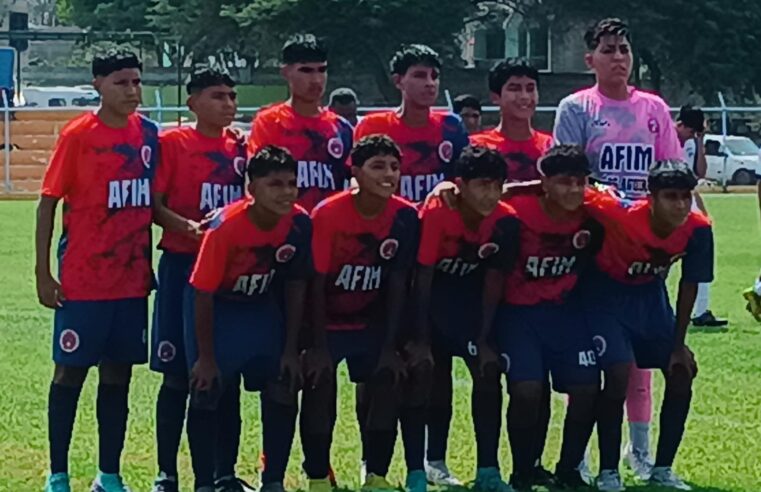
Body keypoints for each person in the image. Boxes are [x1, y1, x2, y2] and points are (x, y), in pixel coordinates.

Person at [553, 18, 685, 484]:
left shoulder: (654, 108)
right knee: (594, 354)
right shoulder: (577, 108)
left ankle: (642, 450)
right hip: (595, 246)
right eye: (608, 50)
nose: (618, 58)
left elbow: (673, 172)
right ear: (590, 59)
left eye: (624, 49)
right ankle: (582, 451)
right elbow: (566, 174)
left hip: (645, 245)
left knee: (641, 356)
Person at [35, 48, 159, 492]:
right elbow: (48, 201)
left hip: (131, 282)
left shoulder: (148, 134)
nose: (132, 90)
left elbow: (151, 200)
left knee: (118, 374)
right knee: (69, 372)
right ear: (98, 86)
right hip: (83, 282)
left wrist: (181, 224)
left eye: (136, 82)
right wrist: (43, 273)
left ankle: (109, 474)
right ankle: (58, 473)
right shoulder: (78, 135)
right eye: (121, 82)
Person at [185, 146, 311, 492]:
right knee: (208, 388)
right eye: (275, 184)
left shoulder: (298, 223)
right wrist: (206, 358)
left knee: (283, 384)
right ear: (251, 189)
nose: (286, 192)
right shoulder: (225, 228)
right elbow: (202, 293)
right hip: (220, 310)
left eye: (291, 183)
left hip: (260, 308)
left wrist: (290, 348)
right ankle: (205, 482)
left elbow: (297, 284)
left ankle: (273, 481)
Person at [582, 160, 713, 491]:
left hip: (649, 298)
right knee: (617, 371)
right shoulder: (618, 211)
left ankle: (662, 468)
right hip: (605, 295)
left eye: (686, 196)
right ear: (650, 198)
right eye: (671, 196)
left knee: (682, 370)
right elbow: (569, 189)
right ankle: (608, 470)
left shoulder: (697, 228)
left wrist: (678, 344)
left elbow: (689, 284)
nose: (681, 204)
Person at [300, 134, 419, 492]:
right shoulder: (328, 214)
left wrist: (390, 345)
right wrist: (317, 346)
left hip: (371, 321)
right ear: (355, 171)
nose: (388, 174)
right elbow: (315, 284)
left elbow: (399, 282)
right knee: (320, 385)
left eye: (395, 167)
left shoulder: (405, 216)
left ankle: (376, 476)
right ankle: (318, 476)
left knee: (387, 379)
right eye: (378, 166)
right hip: (327, 322)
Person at [480, 145, 602, 490]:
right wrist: (485, 333)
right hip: (519, 315)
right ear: (544, 182)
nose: (575, 190)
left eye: (581, 182)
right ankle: (524, 469)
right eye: (565, 182)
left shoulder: (593, 212)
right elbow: (494, 275)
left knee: (587, 387)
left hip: (566, 314)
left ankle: (568, 469)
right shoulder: (514, 214)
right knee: (528, 391)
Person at [150, 65, 249, 492]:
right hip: (182, 268)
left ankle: (222, 473)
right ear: (192, 102)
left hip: (228, 276)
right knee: (177, 376)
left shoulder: (243, 146)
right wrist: (188, 227)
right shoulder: (173, 143)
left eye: (231, 96)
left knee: (226, 376)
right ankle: (167, 473)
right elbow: (152, 204)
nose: (227, 104)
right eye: (217, 96)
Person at [416, 146, 514, 492]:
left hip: (472, 309)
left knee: (488, 376)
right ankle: (434, 461)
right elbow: (423, 276)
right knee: (436, 380)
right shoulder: (437, 212)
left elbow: (494, 280)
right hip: (434, 305)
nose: (490, 194)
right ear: (460, 185)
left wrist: (485, 338)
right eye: (482, 185)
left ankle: (488, 468)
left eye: (497, 185)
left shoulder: (504, 219)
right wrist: (420, 336)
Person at [248, 33, 354, 212]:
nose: (316, 80)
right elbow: (256, 181)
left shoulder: (342, 128)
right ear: (286, 72)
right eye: (306, 70)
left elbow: (355, 181)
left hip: (329, 231)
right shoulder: (269, 122)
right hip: (283, 229)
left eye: (322, 70)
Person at [354, 44, 470, 203]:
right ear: (398, 81)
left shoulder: (451, 125)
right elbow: (354, 180)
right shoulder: (373, 126)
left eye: (434, 76)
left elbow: (466, 180)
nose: (430, 83)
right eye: (420, 75)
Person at [675, 105, 727, 328]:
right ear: (681, 125)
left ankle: (701, 310)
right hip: (667, 203)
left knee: (701, 252)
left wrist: (699, 143)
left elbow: (700, 174)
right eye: (692, 132)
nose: (692, 135)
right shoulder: (666, 137)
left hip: (688, 200)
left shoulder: (692, 142)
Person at [471, 60, 552, 183]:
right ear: (495, 97)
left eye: (530, 89)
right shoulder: (477, 146)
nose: (524, 96)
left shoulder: (550, 146)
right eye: (515, 89)